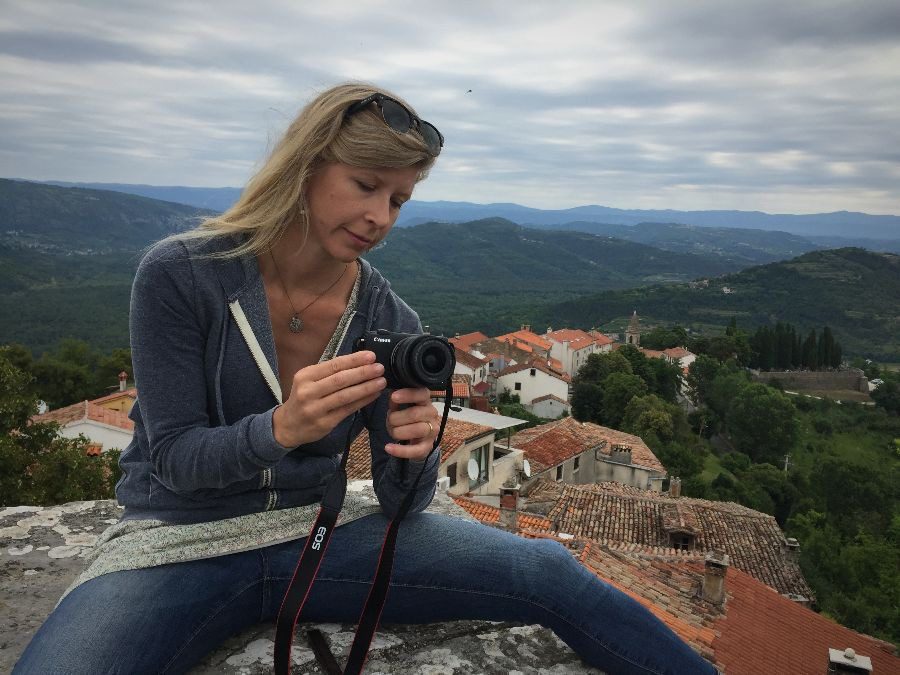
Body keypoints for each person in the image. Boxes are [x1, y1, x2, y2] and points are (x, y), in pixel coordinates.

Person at [14, 83, 717, 674]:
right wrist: (282, 429)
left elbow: (402, 506)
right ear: (307, 166)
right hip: (175, 540)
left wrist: (414, 456)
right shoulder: (182, 274)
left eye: (400, 200)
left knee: (550, 573)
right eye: (365, 185)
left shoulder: (386, 313)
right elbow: (172, 459)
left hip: (318, 535)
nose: (380, 216)